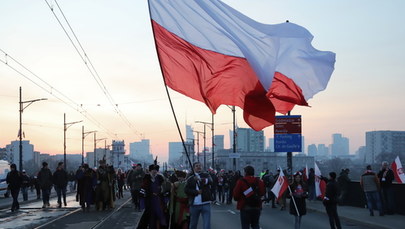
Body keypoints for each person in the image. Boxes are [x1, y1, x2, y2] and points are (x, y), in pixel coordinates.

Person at [139, 164, 168, 229]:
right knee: (150, 216)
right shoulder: (146, 179)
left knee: (160, 215)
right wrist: (142, 202)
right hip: (149, 201)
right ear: (150, 171)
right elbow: (142, 190)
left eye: (155, 170)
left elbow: (165, 189)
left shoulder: (160, 179)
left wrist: (165, 197)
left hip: (158, 201)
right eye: (152, 170)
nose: (154, 172)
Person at [185, 162, 212, 229]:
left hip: (205, 203)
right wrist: (196, 192)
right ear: (193, 168)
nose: (199, 167)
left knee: (207, 225)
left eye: (200, 166)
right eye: (197, 166)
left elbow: (210, 181)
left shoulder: (206, 175)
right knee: (193, 225)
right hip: (194, 204)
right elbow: (186, 190)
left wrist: (200, 179)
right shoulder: (190, 178)